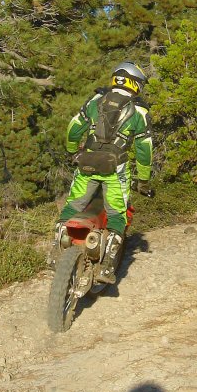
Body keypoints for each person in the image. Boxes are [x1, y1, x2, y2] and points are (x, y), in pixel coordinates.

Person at [51, 61, 154, 283]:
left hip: (87, 163)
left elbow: (74, 126)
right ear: (134, 83)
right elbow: (145, 149)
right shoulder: (139, 110)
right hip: (115, 169)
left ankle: (55, 248)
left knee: (73, 204)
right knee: (117, 213)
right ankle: (107, 266)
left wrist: (72, 152)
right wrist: (143, 179)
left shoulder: (96, 100)